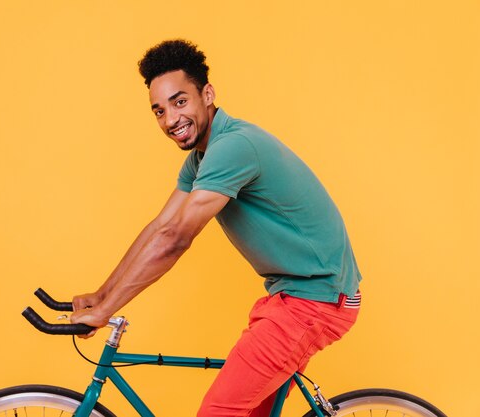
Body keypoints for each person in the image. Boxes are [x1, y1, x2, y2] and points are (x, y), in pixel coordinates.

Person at [70, 39, 363, 417]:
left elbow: (176, 239)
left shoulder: (233, 147)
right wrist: (101, 295)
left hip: (316, 300)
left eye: (180, 102)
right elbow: (161, 226)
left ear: (207, 94)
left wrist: (107, 309)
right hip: (294, 297)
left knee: (217, 412)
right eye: (159, 110)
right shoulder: (201, 158)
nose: (170, 120)